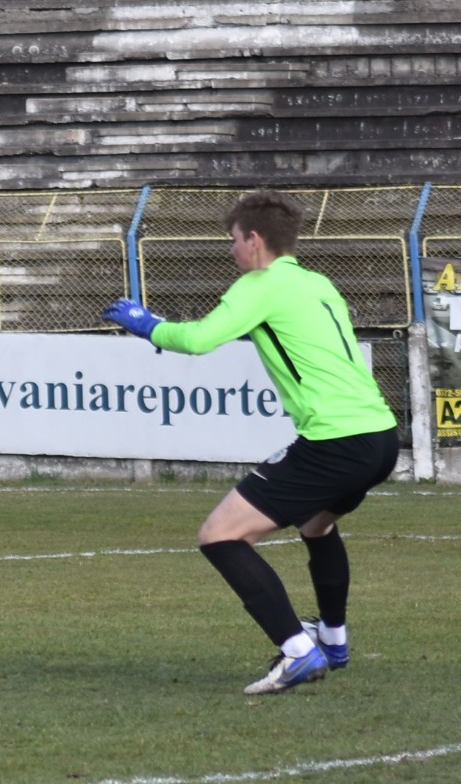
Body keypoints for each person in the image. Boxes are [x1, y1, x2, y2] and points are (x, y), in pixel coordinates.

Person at [103, 189, 399, 695]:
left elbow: (198, 340)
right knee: (317, 524)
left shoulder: (259, 285)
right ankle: (332, 639)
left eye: (234, 240)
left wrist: (147, 325)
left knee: (220, 535)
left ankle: (298, 651)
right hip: (379, 435)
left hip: (336, 440)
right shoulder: (316, 282)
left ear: (255, 240)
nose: (232, 250)